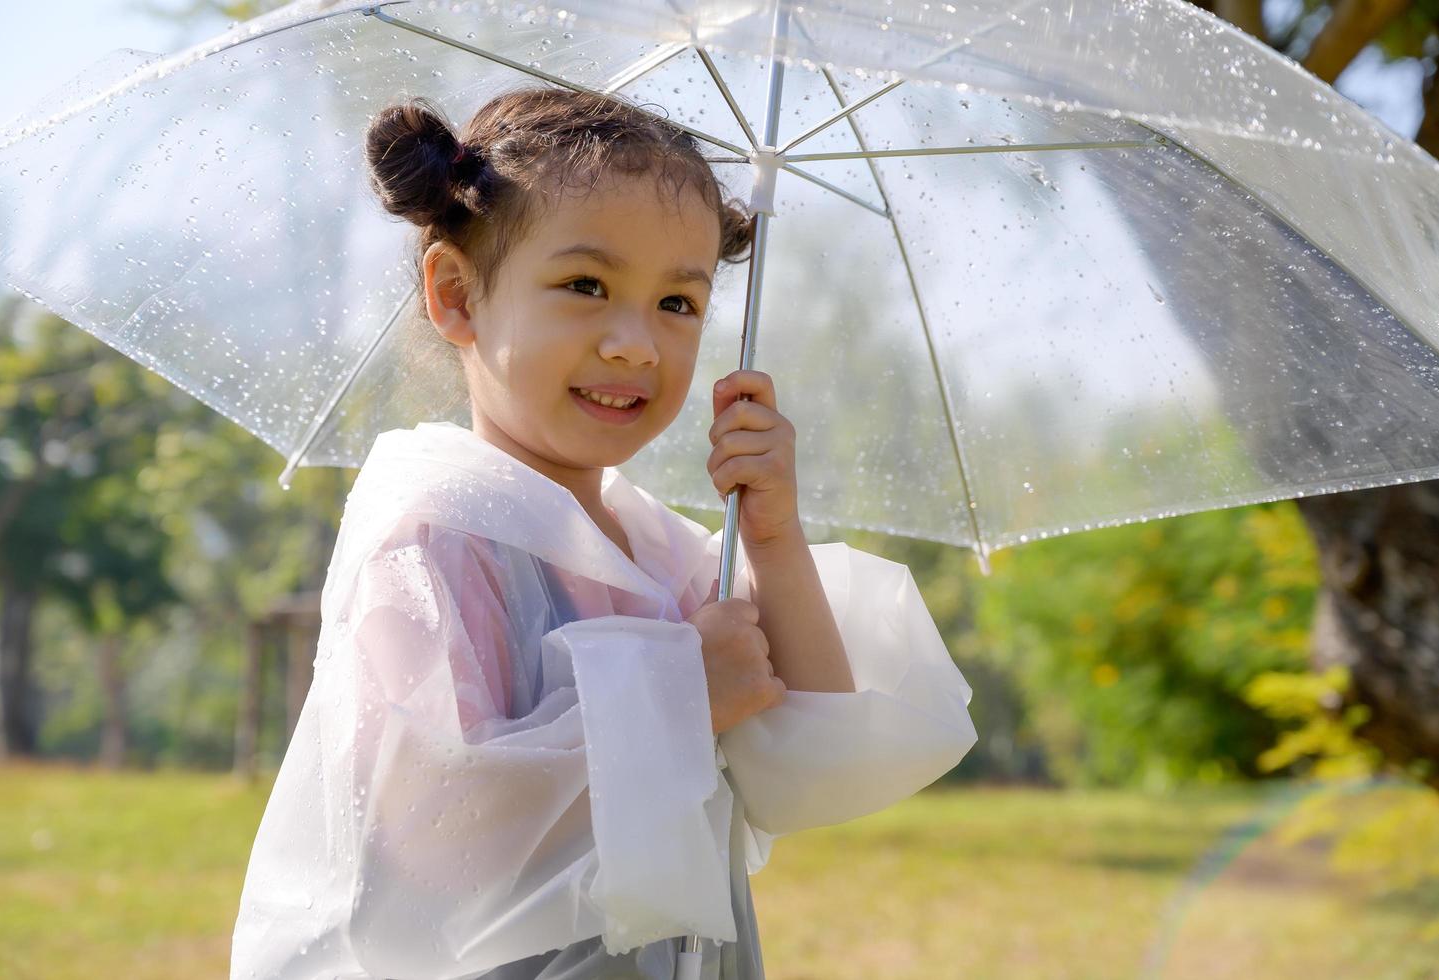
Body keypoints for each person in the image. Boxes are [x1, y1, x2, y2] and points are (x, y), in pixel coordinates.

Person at [229, 86, 978, 980]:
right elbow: (425, 837)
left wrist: (773, 539)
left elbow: (813, 746)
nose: (635, 343)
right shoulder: (437, 541)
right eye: (585, 285)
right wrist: (677, 697)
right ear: (457, 294)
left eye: (678, 302)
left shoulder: (653, 549)